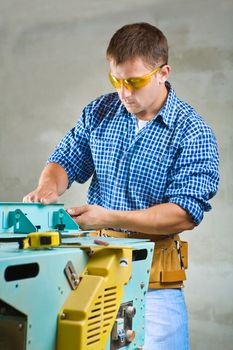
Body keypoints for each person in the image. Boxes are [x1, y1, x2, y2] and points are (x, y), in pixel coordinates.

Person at [23, 22, 219, 349]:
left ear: (163, 72)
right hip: (93, 277)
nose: (124, 92)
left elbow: (185, 213)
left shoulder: (193, 132)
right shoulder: (100, 112)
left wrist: (108, 217)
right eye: (116, 80)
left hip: (155, 287)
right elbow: (65, 160)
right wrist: (47, 187)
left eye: (135, 81)